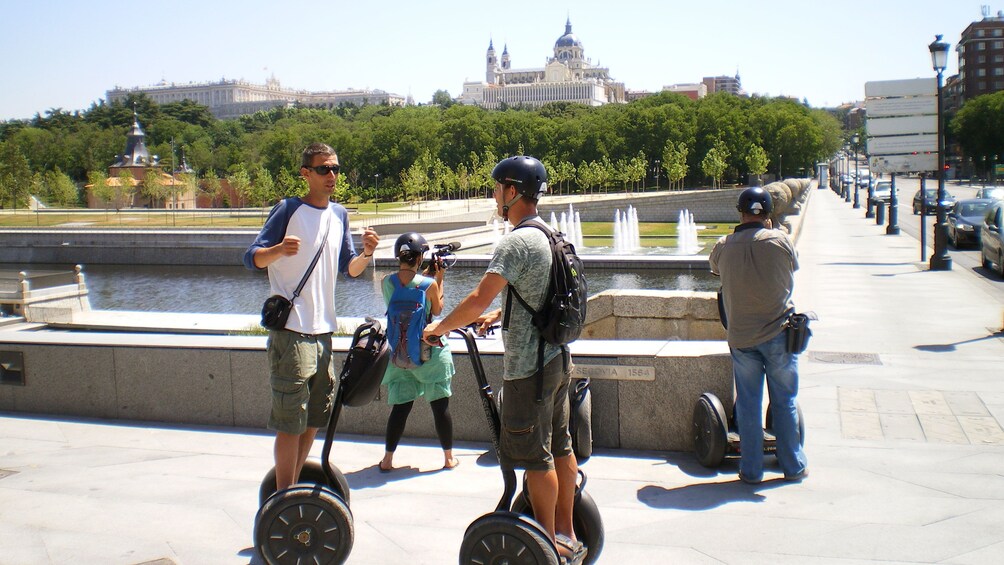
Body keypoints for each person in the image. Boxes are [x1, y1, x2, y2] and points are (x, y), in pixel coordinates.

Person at [423, 156, 582, 560]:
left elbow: (478, 298)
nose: (494, 195)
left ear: (512, 191)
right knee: (562, 448)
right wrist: (501, 314)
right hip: (559, 360)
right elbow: (537, 294)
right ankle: (566, 533)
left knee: (535, 456)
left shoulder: (515, 241)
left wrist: (437, 328)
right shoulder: (551, 235)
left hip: (529, 368)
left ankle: (544, 545)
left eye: (497, 188)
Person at [243, 142, 379, 492]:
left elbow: (350, 269)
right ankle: (283, 497)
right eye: (323, 169)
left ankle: (292, 485)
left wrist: (366, 252)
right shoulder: (288, 210)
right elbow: (251, 258)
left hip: (323, 332)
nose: (331, 175)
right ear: (306, 173)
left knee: (315, 418)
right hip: (292, 331)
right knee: (290, 421)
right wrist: (277, 250)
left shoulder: (340, 215)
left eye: (335, 168)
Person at [709, 186, 808, 485]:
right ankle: (793, 466)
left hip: (741, 337)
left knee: (748, 405)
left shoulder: (723, 245)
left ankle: (751, 471)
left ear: (739, 211)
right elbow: (795, 264)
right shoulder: (780, 240)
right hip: (779, 334)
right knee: (785, 402)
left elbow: (715, 269)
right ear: (768, 213)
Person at [378, 232, 459, 472]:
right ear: (420, 257)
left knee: (400, 409)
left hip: (399, 355)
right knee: (439, 406)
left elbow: (407, 288)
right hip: (429, 354)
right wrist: (439, 277)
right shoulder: (430, 284)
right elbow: (436, 308)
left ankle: (387, 460)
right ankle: (448, 459)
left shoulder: (387, 282)